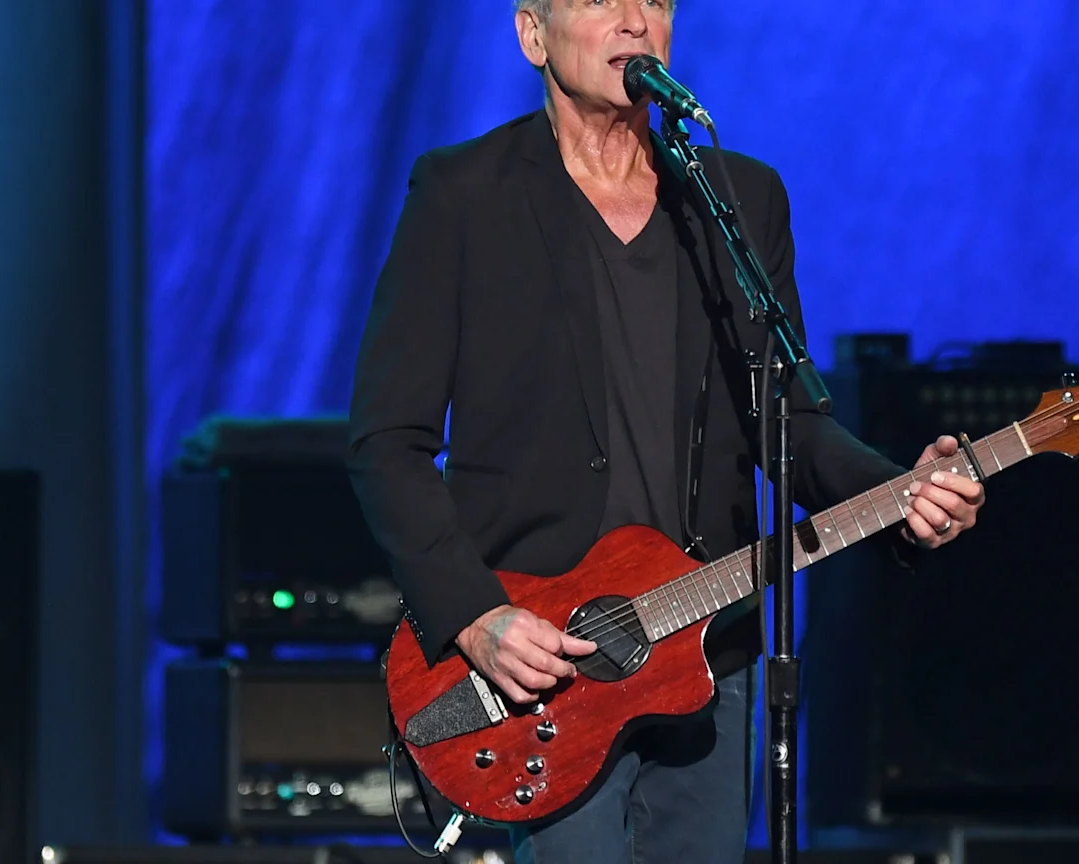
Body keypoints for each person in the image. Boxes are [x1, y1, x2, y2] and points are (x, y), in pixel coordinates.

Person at [345, 1, 987, 861]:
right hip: (546, 666)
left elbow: (787, 421)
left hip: (705, 652)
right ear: (533, 35)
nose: (631, 21)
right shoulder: (464, 194)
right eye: (598, 0)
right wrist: (475, 616)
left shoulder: (736, 199)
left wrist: (900, 493)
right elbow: (387, 440)